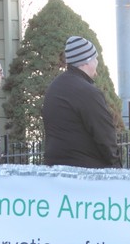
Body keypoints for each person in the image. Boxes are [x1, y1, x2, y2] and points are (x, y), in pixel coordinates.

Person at [42, 36, 122, 168]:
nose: (97, 62)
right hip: (85, 173)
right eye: (95, 58)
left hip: (55, 170)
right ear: (86, 61)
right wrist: (117, 168)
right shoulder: (88, 93)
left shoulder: (55, 87)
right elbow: (105, 137)